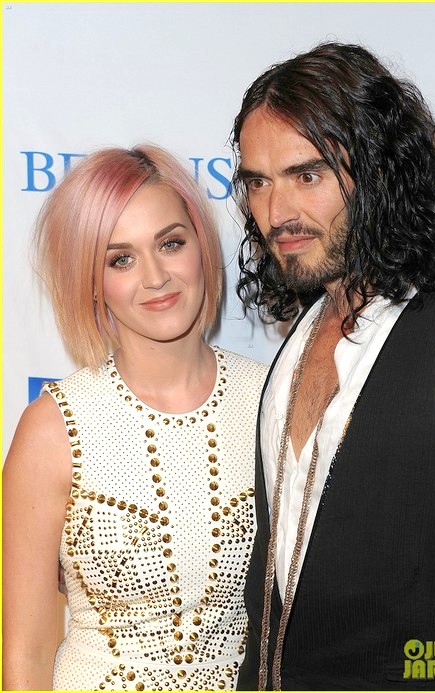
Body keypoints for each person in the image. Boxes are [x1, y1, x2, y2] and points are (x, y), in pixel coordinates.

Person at [230, 42, 435, 690]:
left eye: (307, 175)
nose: (277, 213)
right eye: (258, 182)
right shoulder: (302, 335)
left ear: (379, 172)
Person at [3, 145, 268, 691]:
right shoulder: (53, 428)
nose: (155, 277)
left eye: (170, 243)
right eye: (120, 259)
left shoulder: (274, 397)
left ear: (201, 245)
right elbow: (25, 654)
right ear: (90, 279)